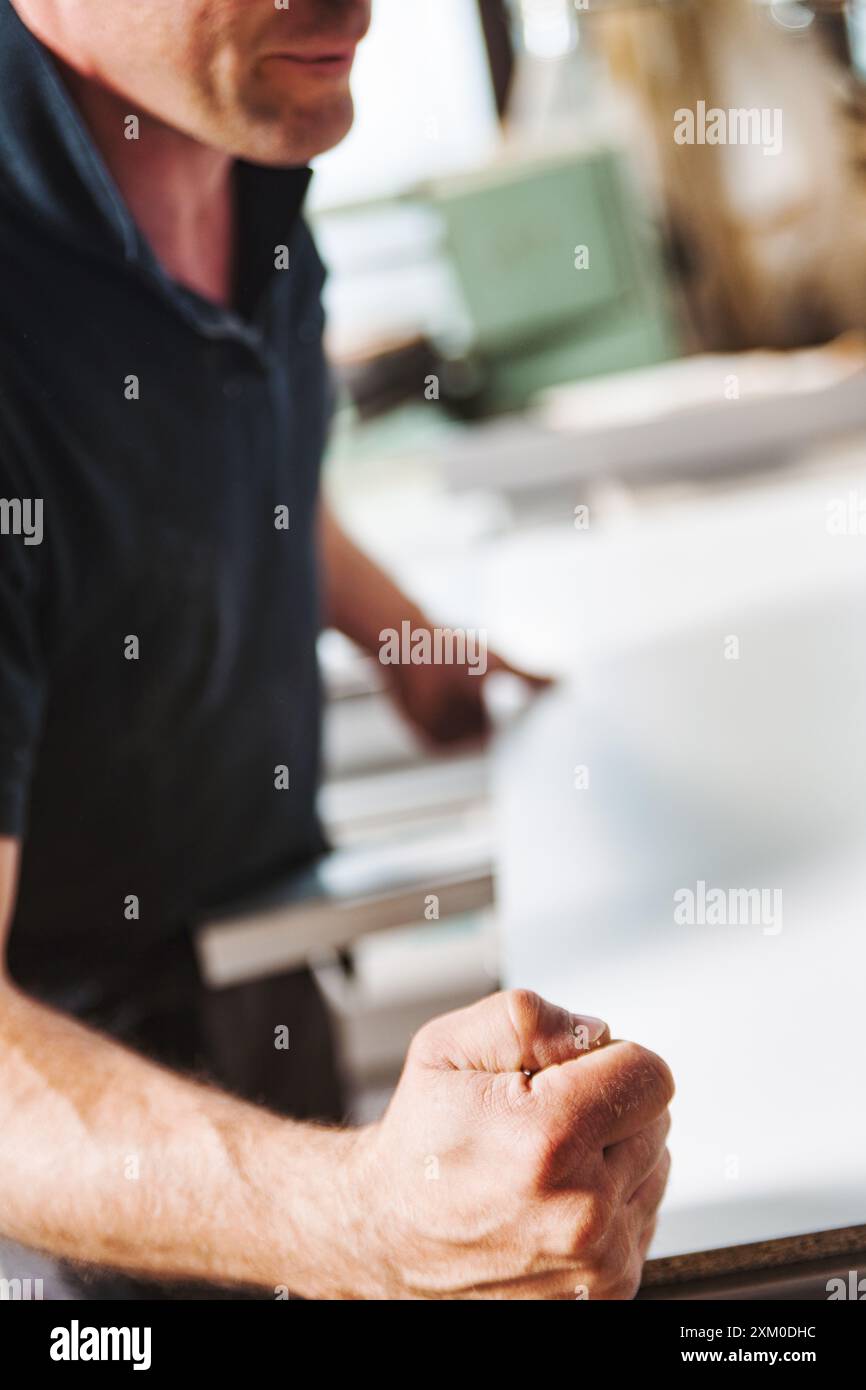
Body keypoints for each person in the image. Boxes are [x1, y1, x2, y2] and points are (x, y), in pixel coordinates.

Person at [0, 0, 673, 1300]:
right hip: (64, 1167)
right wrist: (365, 1215)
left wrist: (403, 637)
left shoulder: (250, 131)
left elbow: (247, 465)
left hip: (251, 975)